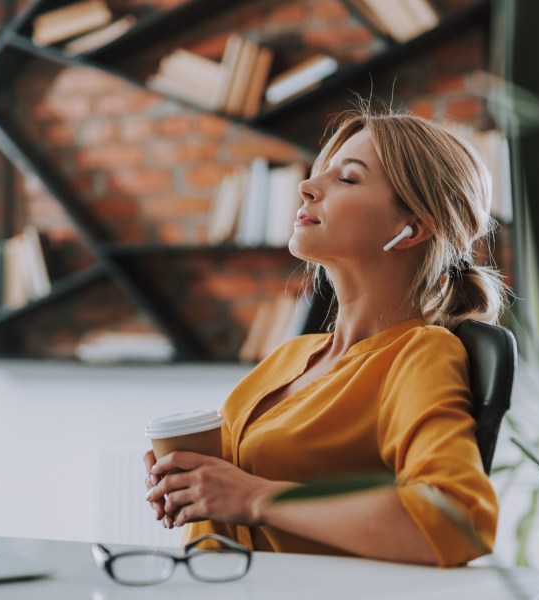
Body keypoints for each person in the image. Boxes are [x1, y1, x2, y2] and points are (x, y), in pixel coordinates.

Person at [143, 108, 509, 567]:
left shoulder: (418, 355)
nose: (306, 186)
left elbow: (457, 520)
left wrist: (257, 498)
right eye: (322, 173)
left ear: (411, 228)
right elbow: (229, 500)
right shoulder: (289, 356)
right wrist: (190, 481)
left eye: (349, 179)